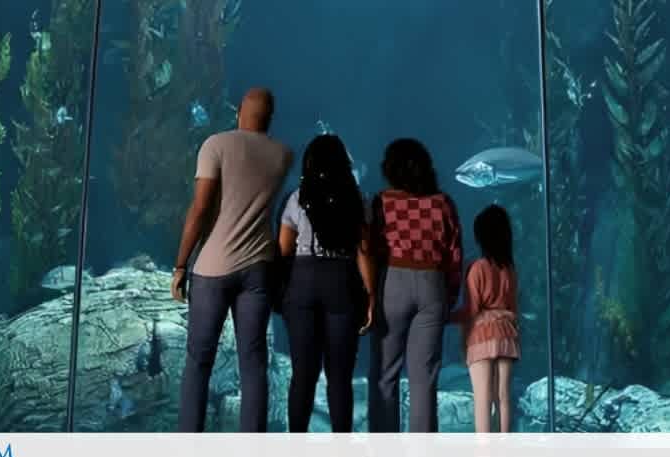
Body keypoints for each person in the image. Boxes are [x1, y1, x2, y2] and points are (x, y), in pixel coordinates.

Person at [171, 88, 294, 433]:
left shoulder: (215, 145)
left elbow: (200, 208)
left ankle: (189, 444)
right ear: (270, 117)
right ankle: (253, 452)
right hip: (259, 268)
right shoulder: (283, 154)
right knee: (253, 363)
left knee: (198, 361)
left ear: (239, 111)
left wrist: (181, 263)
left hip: (212, 267)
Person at [277, 134, 376, 432]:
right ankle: (342, 449)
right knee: (339, 376)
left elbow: (283, 249)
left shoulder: (297, 197)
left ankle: (296, 448)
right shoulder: (358, 199)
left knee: (303, 374)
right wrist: (371, 295)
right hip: (341, 282)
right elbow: (364, 250)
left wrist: (283, 291)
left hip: (302, 281)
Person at [366, 138, 463, 433]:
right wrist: (449, 296)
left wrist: (370, 292)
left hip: (392, 281)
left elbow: (370, 248)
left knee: (385, 374)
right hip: (432, 283)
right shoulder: (442, 203)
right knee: (424, 378)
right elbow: (454, 254)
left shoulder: (382, 201)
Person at [449, 204, 519, 433]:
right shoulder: (509, 269)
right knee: (503, 397)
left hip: (481, 336)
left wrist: (445, 317)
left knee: (482, 398)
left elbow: (472, 310)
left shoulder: (477, 268)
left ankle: (484, 453)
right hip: (507, 333)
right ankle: (505, 447)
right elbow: (513, 307)